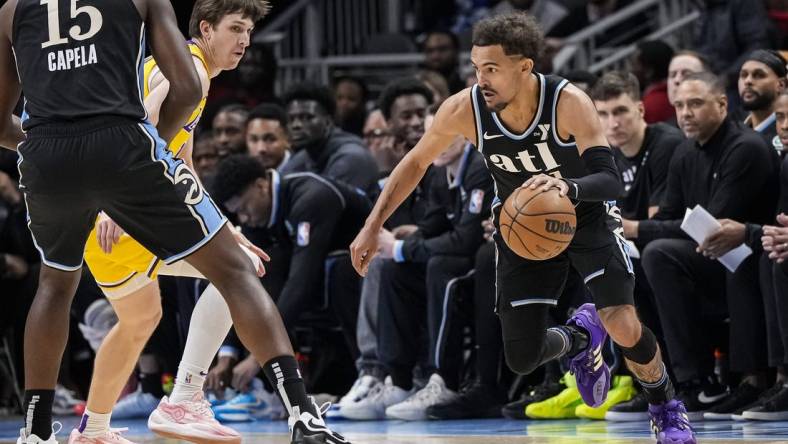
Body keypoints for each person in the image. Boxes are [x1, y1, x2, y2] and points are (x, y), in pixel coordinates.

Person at [0, 1, 348, 444]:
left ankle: (75, 429)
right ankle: (195, 399)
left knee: (124, 313)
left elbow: (183, 169)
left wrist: (223, 225)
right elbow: (158, 112)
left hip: (56, 172)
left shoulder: (12, 8)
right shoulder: (192, 67)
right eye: (236, 29)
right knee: (239, 270)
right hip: (123, 189)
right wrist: (119, 189)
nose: (245, 41)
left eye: (249, 31)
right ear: (205, 29)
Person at [350, 12, 695, 443]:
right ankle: (580, 340)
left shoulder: (568, 102)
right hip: (523, 226)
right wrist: (372, 224)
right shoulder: (464, 109)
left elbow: (608, 180)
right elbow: (416, 162)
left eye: (491, 68)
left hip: (585, 212)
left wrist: (566, 186)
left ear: (524, 66)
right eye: (476, 68)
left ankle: (666, 407)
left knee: (624, 324)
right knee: (522, 357)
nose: (481, 79)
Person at [628, 72, 779, 421]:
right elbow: (670, 215)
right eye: (679, 105)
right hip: (710, 259)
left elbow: (714, 226)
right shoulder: (685, 150)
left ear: (722, 104)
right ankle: (671, 382)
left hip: (748, 256)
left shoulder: (746, 148)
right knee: (633, 263)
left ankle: (709, 381)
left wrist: (638, 227)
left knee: (659, 252)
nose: (685, 113)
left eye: (695, 104)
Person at [591, 71, 685, 421]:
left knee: (641, 267)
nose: (612, 123)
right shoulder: (606, 155)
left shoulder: (666, 145)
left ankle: (669, 382)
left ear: (641, 110)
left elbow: (655, 221)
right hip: (636, 248)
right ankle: (629, 380)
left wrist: (619, 226)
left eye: (620, 112)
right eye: (603, 114)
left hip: (677, 247)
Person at [279, 82, 379, 194]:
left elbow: (326, 207)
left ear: (328, 122)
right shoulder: (303, 157)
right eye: (291, 119)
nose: (296, 125)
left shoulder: (352, 157)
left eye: (306, 117)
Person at [739, 50, 787, 152]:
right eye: (743, 75)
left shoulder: (784, 133)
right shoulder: (732, 129)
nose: (748, 81)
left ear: (781, 85)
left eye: (759, 75)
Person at [630, 40, 675, 124]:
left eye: (634, 65)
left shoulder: (647, 108)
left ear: (648, 71)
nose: (631, 71)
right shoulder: (679, 95)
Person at [245, 103, 291, 170]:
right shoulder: (244, 175)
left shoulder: (304, 173)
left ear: (288, 140)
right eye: (254, 140)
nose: (261, 149)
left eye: (270, 139)